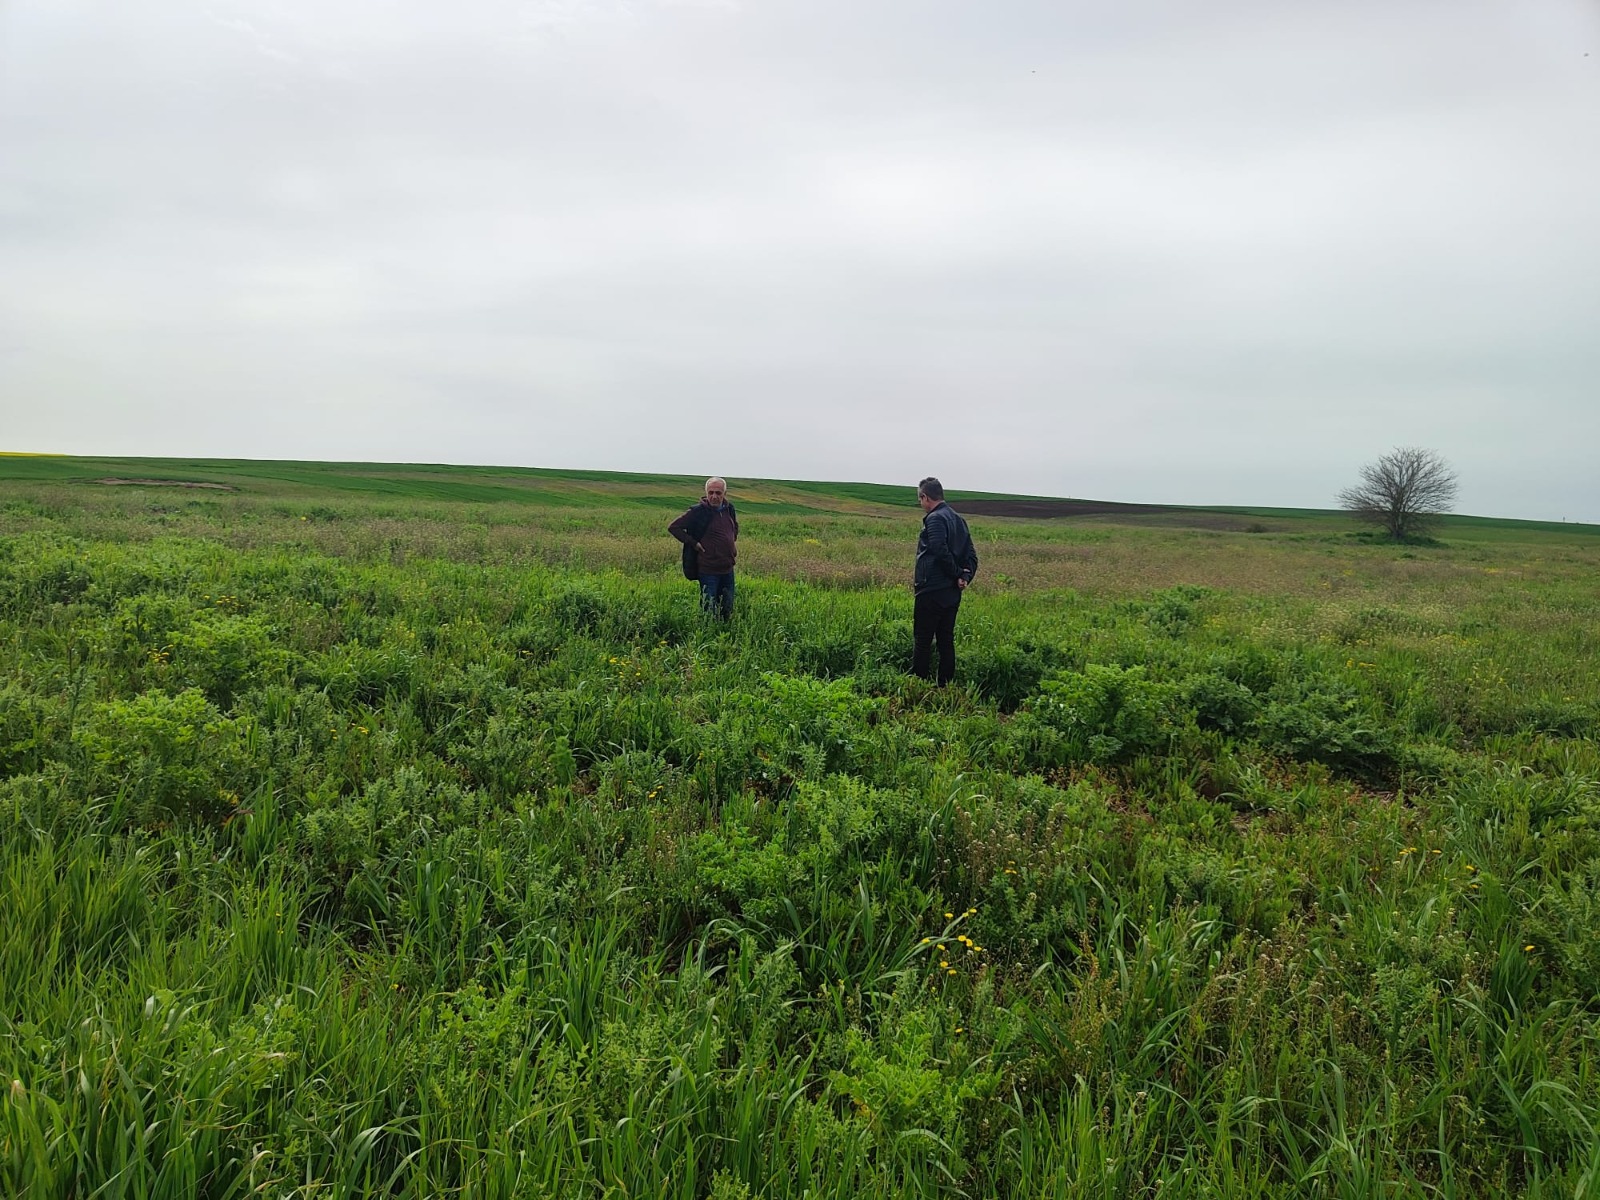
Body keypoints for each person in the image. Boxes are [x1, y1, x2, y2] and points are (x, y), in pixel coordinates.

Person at [912, 476, 978, 685]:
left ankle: (918, 684)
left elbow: (938, 549)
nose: (920, 503)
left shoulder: (935, 519)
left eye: (920, 499)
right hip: (951, 592)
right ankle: (945, 685)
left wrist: (958, 573)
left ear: (925, 497)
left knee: (923, 640)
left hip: (932, 589)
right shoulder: (959, 520)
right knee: (945, 640)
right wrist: (965, 576)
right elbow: (971, 555)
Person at [668, 477, 739, 619]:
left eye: (718, 493)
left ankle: (724, 629)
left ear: (725, 494)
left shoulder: (729, 509)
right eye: (711, 492)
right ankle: (708, 630)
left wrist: (731, 540)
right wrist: (694, 543)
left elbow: (734, 526)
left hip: (727, 568)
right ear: (706, 493)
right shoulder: (698, 511)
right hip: (708, 570)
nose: (714, 496)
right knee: (708, 608)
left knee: (727, 608)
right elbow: (674, 527)